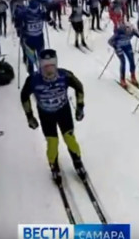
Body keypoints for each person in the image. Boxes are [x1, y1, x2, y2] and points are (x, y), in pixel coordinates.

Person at [20, 49, 86, 184]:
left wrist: (80, 107)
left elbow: (79, 86)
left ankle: (77, 161)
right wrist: (29, 116)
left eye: (52, 65)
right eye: (45, 66)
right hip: (46, 115)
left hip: (63, 112)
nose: (49, 70)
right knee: (52, 143)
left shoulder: (65, 75)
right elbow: (24, 96)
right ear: (40, 65)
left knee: (70, 139)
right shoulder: (33, 80)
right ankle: (53, 165)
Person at [14, 0, 50, 75]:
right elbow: (48, 19)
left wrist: (19, 27)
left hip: (31, 39)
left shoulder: (26, 13)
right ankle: (37, 74)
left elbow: (17, 24)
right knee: (37, 58)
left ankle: (34, 74)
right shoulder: (38, 13)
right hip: (36, 39)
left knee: (33, 59)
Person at [108, 22, 139, 88]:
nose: (128, 33)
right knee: (123, 61)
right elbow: (110, 41)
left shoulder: (133, 30)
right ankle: (122, 79)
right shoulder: (119, 31)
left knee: (132, 60)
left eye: (130, 32)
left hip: (127, 45)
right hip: (119, 46)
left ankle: (133, 76)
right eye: (127, 32)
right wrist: (115, 46)